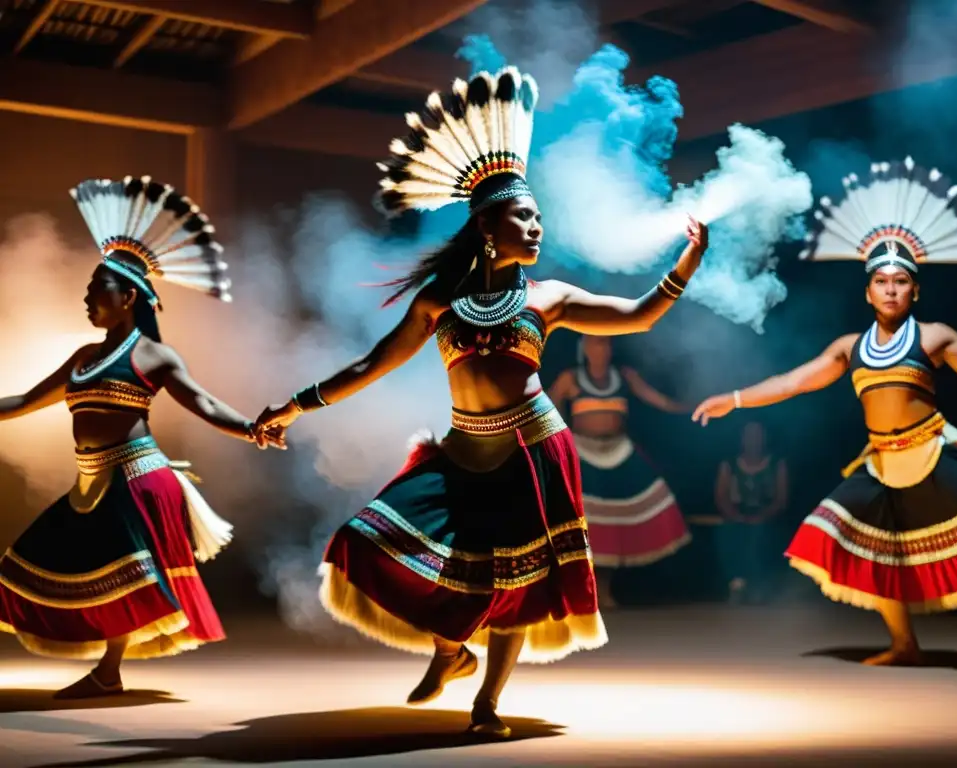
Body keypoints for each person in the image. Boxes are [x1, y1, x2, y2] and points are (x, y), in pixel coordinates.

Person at [256, 66, 708, 735]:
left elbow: (637, 317)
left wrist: (685, 266)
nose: (537, 228)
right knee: (367, 541)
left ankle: (487, 704)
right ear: (489, 225)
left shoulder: (546, 298)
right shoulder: (439, 301)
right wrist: (293, 407)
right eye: (525, 216)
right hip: (464, 452)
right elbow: (370, 364)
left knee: (515, 581)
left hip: (532, 450)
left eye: (540, 218)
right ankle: (450, 651)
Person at [693, 157, 957, 665]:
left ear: (916, 289)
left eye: (901, 282)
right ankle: (903, 644)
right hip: (881, 462)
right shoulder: (850, 347)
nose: (891, 289)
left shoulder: (934, 336)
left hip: (933, 455)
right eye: (882, 281)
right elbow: (793, 382)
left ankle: (909, 641)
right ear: (867, 290)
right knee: (866, 544)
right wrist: (734, 399)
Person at [0, 176, 284, 699]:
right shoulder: (84, 357)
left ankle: (108, 671)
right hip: (92, 480)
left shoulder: (154, 356)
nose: (87, 296)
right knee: (34, 559)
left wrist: (250, 428)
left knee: (128, 573)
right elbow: (22, 401)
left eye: (96, 288)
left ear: (128, 295)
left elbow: (201, 402)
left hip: (138, 480)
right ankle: (108, 671)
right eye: (87, 289)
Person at [549, 335, 691, 608]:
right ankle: (582, 590)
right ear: (584, 349)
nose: (599, 349)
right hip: (582, 452)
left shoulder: (624, 376)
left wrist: (689, 407)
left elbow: (657, 399)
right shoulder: (571, 377)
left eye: (604, 344)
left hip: (619, 450)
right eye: (593, 343)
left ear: (610, 349)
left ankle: (605, 589)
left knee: (615, 522)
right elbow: (546, 407)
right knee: (584, 523)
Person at [713, 421, 788, 604]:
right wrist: (736, 516)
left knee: (761, 533)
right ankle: (737, 584)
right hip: (736, 513)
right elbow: (721, 496)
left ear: (764, 438)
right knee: (729, 531)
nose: (753, 439)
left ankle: (758, 585)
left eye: (757, 435)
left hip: (766, 514)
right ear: (742, 438)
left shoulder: (777, 463)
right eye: (749, 435)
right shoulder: (729, 464)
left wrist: (762, 516)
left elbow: (781, 499)